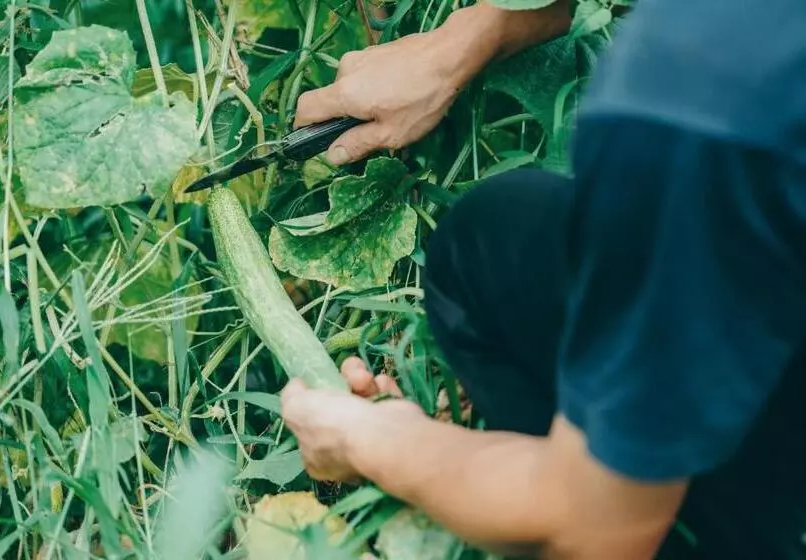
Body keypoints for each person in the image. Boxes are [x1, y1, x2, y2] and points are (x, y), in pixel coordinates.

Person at [280, 0, 806, 558]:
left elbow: (596, 536)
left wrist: (367, 440)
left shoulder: (687, 102)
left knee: (605, 513)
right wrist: (465, 40)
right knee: (493, 239)